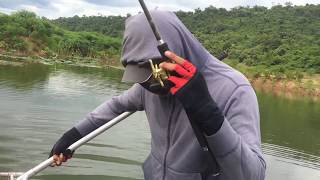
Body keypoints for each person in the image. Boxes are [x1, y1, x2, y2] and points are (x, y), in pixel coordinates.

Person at [49, 11, 266, 180]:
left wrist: (208, 112)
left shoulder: (235, 88)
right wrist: (72, 136)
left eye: (155, 76)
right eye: (142, 79)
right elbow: (116, 107)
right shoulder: (148, 86)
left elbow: (252, 175)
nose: (151, 86)